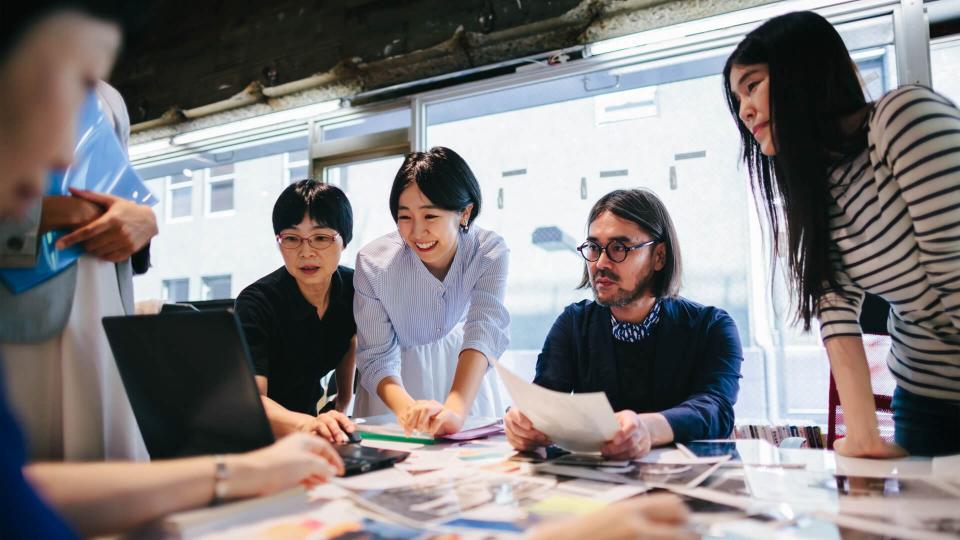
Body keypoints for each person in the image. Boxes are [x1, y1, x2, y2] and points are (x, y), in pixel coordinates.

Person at [0, 6, 344, 539]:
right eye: (63, 85)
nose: (61, 150)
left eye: (323, 238)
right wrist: (68, 214)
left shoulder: (108, 107)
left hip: (97, 317)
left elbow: (25, 491)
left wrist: (142, 221)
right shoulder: (259, 302)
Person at [723, 11, 960, 457]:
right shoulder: (819, 189)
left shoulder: (900, 118)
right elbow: (836, 313)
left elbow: (955, 274)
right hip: (925, 398)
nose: (744, 110)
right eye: (737, 98)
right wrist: (864, 436)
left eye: (752, 85)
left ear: (802, 72)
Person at [505, 189, 743, 459]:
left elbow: (715, 408)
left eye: (619, 248)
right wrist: (523, 423)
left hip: (681, 489)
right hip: (595, 491)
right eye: (594, 248)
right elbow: (545, 401)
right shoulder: (574, 324)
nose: (600, 263)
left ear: (659, 257)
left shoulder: (712, 327)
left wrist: (647, 428)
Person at [0, 76, 157, 460]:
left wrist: (144, 222)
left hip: (103, 316)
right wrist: (55, 214)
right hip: (17, 318)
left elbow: (118, 196)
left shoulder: (107, 96)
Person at [354, 147, 509, 436]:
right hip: (392, 382)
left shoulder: (488, 252)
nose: (416, 232)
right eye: (405, 217)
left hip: (463, 368)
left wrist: (455, 408)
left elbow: (483, 328)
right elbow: (376, 354)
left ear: (465, 212)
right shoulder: (373, 263)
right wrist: (408, 411)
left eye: (430, 216)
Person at [236, 180, 358, 444]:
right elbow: (255, 401)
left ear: (344, 241)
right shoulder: (256, 303)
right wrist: (308, 424)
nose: (306, 252)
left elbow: (349, 338)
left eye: (321, 238)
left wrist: (343, 401)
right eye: (292, 238)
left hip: (311, 426)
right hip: (264, 433)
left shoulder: (354, 287)